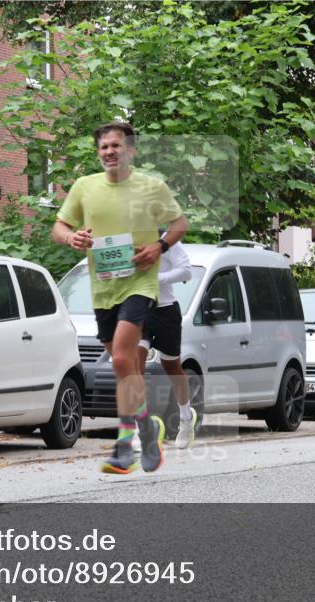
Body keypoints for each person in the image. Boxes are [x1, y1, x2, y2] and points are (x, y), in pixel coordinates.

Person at [53, 121, 188, 474]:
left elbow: (180, 224)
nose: (110, 152)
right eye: (104, 147)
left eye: (116, 145)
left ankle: (125, 444)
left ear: (130, 150)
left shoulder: (151, 187)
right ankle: (147, 429)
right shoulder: (84, 187)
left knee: (121, 359)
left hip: (140, 284)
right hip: (103, 289)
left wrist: (159, 247)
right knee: (123, 364)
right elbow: (59, 227)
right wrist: (71, 238)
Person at [136, 232, 197, 448]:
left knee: (172, 367)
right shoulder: (128, 237)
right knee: (136, 365)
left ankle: (186, 419)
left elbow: (186, 271)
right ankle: (141, 428)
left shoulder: (166, 240)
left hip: (166, 310)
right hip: (139, 309)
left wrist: (157, 278)